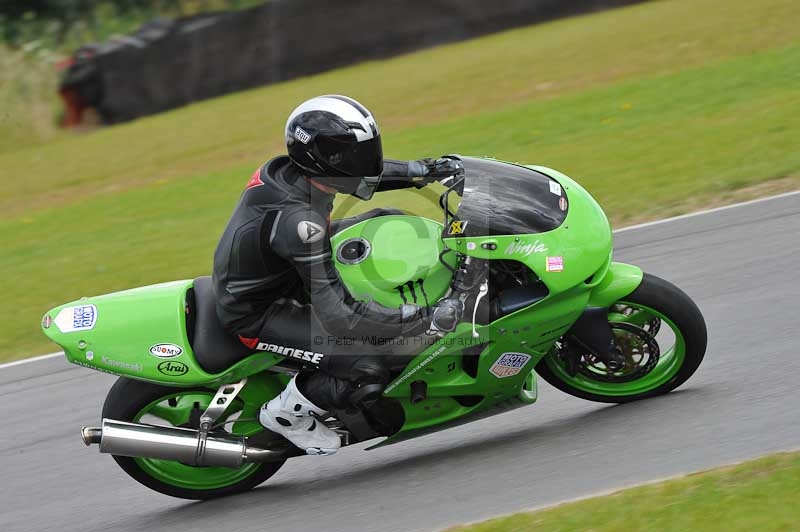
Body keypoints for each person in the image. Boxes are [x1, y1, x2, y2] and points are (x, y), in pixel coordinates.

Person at [212, 94, 464, 455]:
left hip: (282, 270)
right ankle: (287, 414)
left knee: (386, 219)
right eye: (351, 155)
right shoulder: (301, 224)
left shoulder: (297, 172)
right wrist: (420, 318)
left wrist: (425, 170)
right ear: (323, 159)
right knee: (369, 362)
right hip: (259, 311)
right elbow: (341, 318)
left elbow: (364, 175)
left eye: (366, 150)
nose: (365, 162)